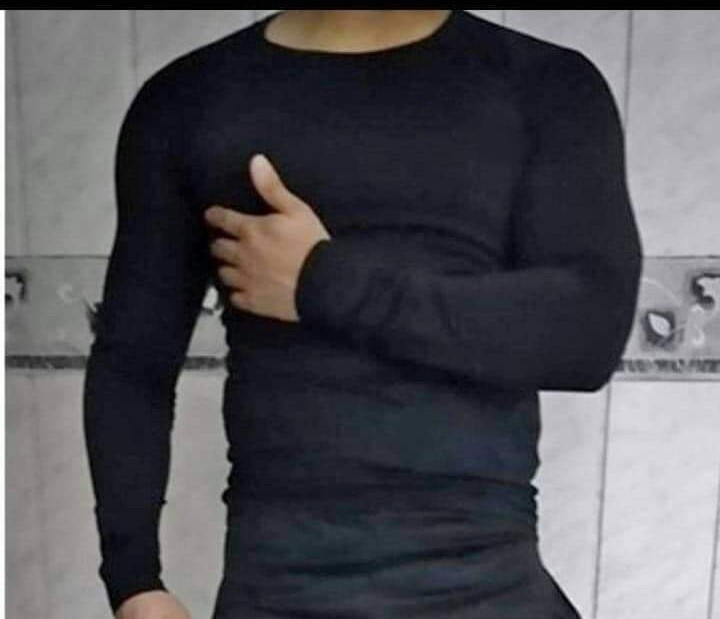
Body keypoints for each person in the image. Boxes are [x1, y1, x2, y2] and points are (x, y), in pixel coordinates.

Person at [83, 9, 643, 618]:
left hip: (486, 580)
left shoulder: (543, 82)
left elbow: (587, 333)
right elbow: (132, 360)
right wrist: (135, 582)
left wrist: (321, 282)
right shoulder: (189, 97)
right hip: (280, 584)